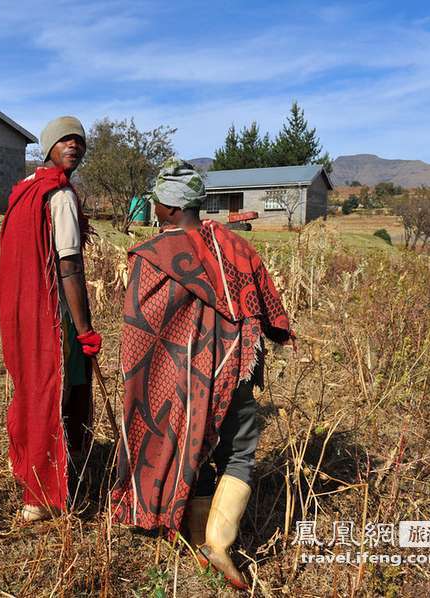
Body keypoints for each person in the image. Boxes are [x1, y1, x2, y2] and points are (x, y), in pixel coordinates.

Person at [111, 159, 294, 590]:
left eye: (157, 202)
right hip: (238, 369)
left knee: (196, 448)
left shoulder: (154, 256)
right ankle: (214, 540)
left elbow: (140, 330)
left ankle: (197, 534)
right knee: (239, 452)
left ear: (171, 209)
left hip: (183, 382)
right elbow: (264, 304)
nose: (154, 208)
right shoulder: (233, 245)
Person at [0, 116, 101, 522]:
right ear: (49, 148)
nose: (73, 145)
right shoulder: (58, 196)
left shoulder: (24, 190)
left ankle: (52, 465)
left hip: (20, 310)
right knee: (54, 389)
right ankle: (42, 493)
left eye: (79, 140)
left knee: (31, 389)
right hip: (51, 315)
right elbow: (69, 266)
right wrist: (85, 330)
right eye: (64, 140)